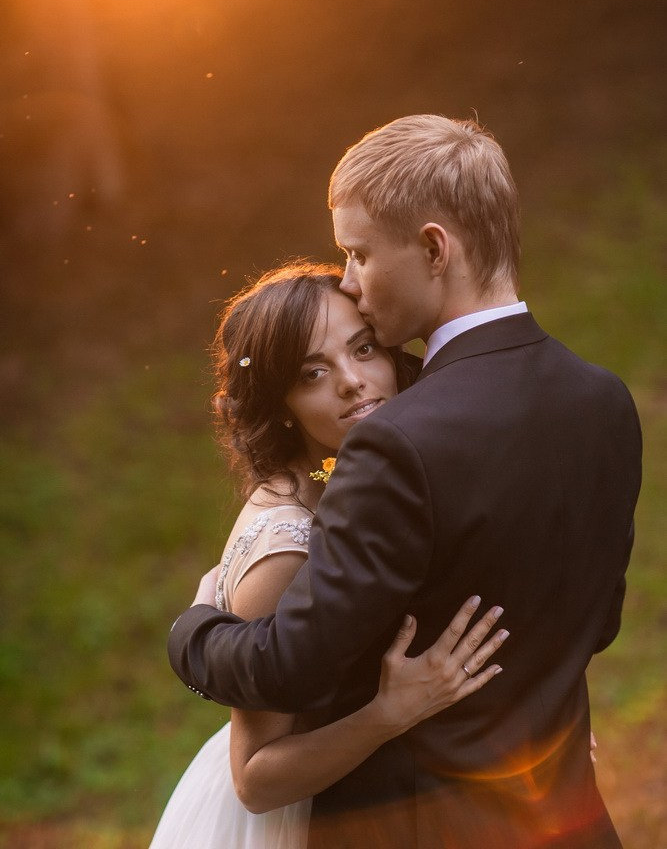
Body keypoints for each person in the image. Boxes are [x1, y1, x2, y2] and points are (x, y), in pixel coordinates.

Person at [169, 117, 642, 848]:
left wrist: (194, 632)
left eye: (357, 253)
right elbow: (596, 621)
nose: (351, 281)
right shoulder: (603, 399)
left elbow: (289, 666)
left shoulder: (396, 441)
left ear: (431, 248)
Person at [151, 261, 508, 849]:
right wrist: (391, 711)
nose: (351, 380)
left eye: (364, 348)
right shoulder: (283, 547)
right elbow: (256, 779)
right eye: (313, 372)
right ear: (281, 402)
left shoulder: (385, 473)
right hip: (302, 819)